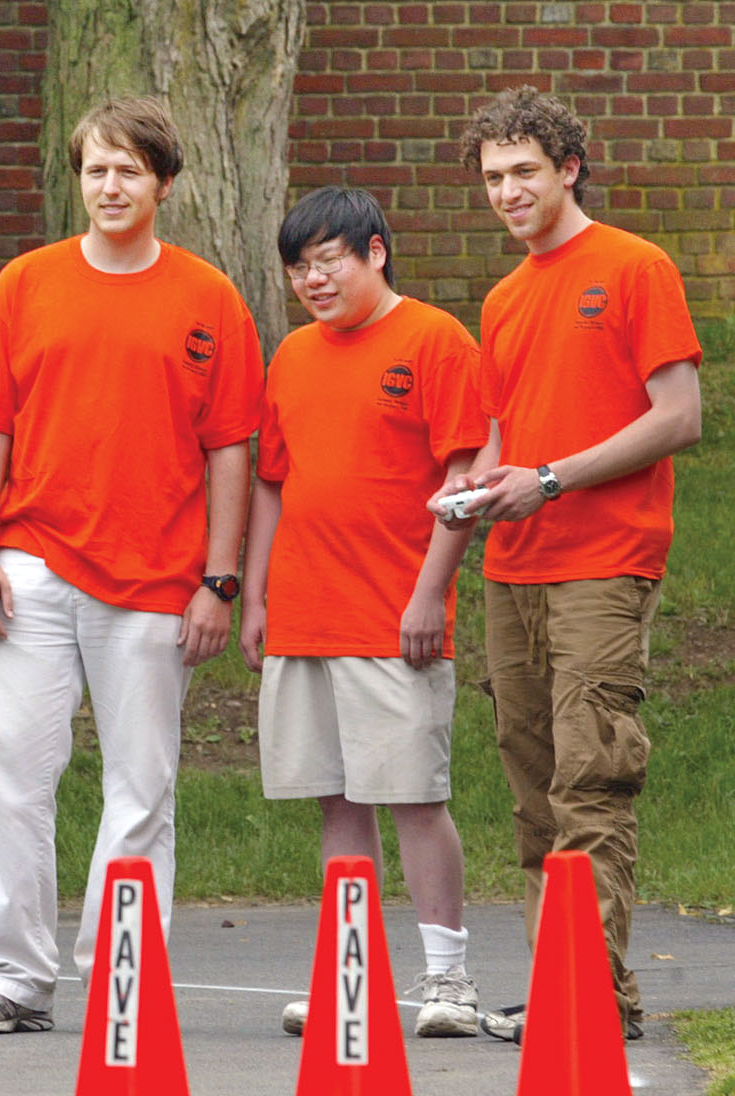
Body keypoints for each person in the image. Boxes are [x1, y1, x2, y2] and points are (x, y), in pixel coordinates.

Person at [0, 96, 266, 1033]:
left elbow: (231, 451)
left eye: (129, 169)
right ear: (76, 179)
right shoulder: (24, 285)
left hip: (160, 583)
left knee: (142, 784)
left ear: (163, 182)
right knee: (8, 770)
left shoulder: (209, 299)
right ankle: (13, 977)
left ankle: (127, 974)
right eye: (95, 168)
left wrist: (219, 579)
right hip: (29, 568)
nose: (110, 185)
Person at [439, 87, 702, 1042]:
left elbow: (679, 416)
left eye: (523, 173)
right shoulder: (504, 298)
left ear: (568, 170)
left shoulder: (635, 266)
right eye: (493, 179)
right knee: (535, 787)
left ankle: (587, 999)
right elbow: (502, 441)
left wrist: (546, 480)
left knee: (591, 777)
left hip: (605, 558)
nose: (507, 193)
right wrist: (470, 491)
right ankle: (573, 988)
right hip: (514, 566)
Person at [239, 186, 490, 1038]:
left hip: (395, 616)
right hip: (305, 615)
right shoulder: (292, 356)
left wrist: (430, 592)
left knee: (415, 797)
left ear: (375, 252)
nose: (313, 279)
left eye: (329, 260)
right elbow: (273, 482)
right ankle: (352, 976)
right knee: (336, 802)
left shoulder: (435, 339)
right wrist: (256, 595)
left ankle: (448, 980)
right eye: (298, 267)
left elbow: (465, 480)